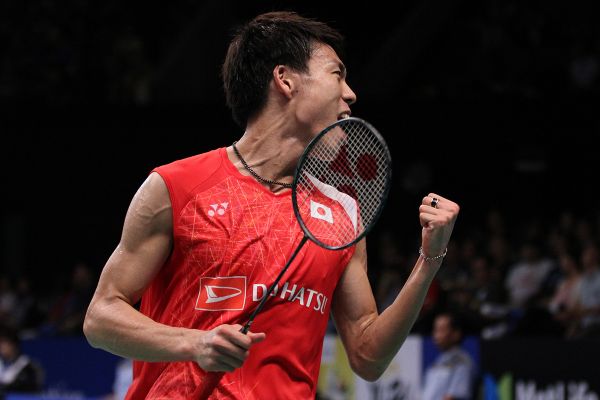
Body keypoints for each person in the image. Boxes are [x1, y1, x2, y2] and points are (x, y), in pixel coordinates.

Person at [83, 11, 459, 399]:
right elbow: (100, 318)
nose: (350, 94)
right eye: (337, 75)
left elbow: (368, 357)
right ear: (285, 79)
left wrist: (429, 259)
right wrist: (193, 343)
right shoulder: (177, 186)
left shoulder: (342, 216)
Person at [423, 312, 475, 400]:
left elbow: (454, 397)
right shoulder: (438, 361)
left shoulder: (462, 362)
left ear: (456, 334)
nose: (436, 335)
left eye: (442, 330)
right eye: (435, 330)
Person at [0, 327, 44, 394]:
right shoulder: (1, 363)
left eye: (3, 342)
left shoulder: (29, 366)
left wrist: (9, 386)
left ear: (14, 345)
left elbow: (34, 388)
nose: (1, 346)